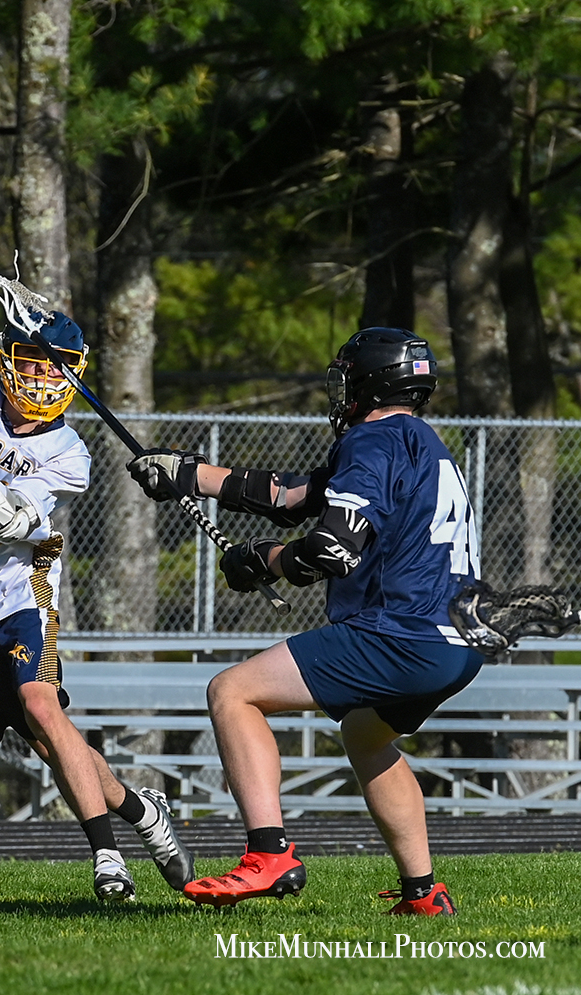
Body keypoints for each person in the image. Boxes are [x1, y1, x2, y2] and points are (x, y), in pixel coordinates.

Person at [127, 326, 482, 915]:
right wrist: (190, 476)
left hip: (404, 633)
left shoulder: (372, 440)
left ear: (369, 384)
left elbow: (332, 547)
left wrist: (264, 559)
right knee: (365, 734)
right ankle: (423, 892)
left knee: (232, 692)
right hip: (459, 640)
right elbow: (295, 495)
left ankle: (269, 854)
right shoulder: (420, 443)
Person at [0, 271, 193, 902]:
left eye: (56, 367)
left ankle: (106, 857)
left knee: (43, 709)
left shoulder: (70, 453)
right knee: (46, 744)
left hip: (23, 596)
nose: (43, 378)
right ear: (6, 360)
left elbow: (6, 522)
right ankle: (141, 810)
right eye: (32, 363)